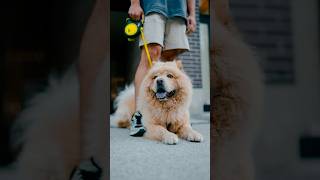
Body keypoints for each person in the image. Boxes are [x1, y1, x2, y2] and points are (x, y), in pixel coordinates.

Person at [128, 0, 196, 136]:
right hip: (153, 5)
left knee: (171, 61)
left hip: (178, 7)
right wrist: (135, 3)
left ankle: (173, 117)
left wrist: (192, 14)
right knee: (151, 54)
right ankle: (139, 116)